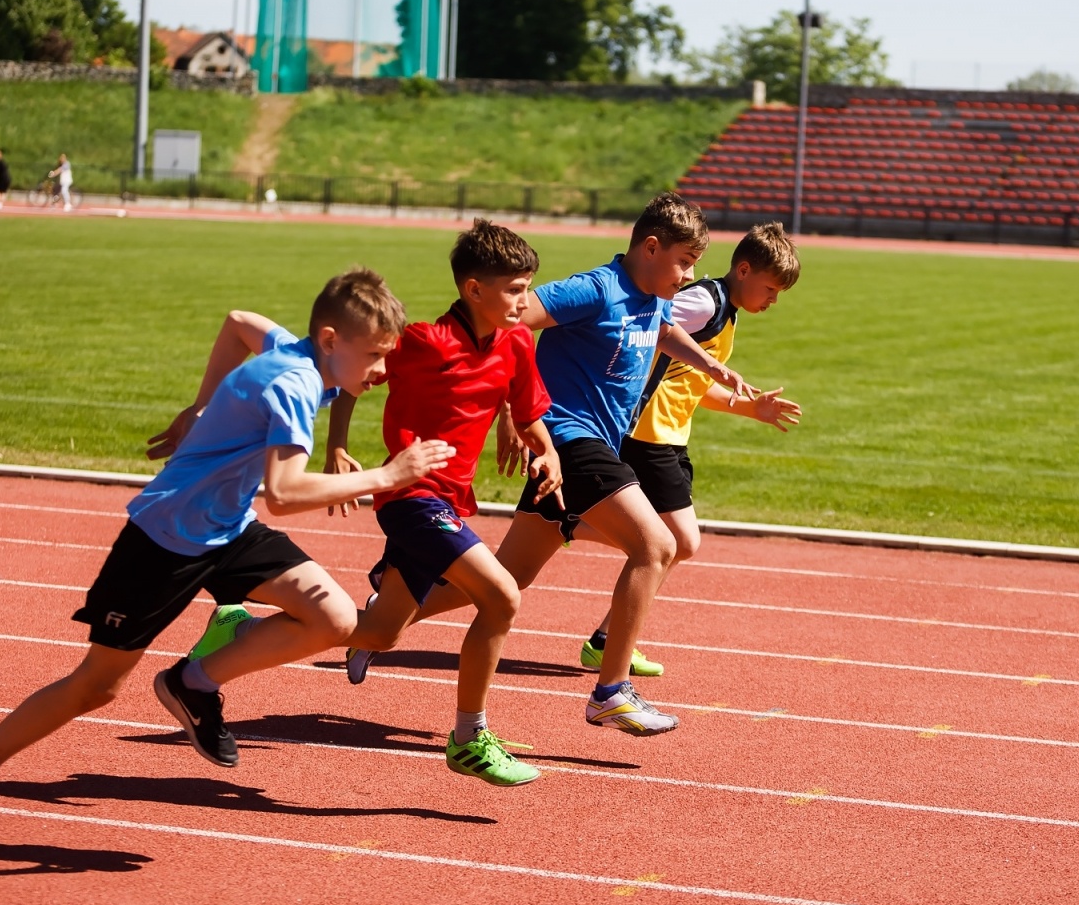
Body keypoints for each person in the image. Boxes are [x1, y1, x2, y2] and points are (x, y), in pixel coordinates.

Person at [0, 269, 454, 851]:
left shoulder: (296, 348)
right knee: (96, 688)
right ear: (331, 340)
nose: (383, 369)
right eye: (376, 355)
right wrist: (390, 474)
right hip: (165, 540)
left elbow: (238, 324)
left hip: (227, 529)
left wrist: (197, 410)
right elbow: (283, 493)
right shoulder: (295, 383)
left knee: (333, 619)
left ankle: (192, 682)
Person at [409, 192, 756, 738]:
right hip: (570, 437)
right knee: (657, 544)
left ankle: (380, 615)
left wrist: (711, 364)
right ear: (650, 247)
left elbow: (663, 330)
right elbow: (513, 320)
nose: (690, 275)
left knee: (506, 579)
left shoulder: (654, 296)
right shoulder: (596, 288)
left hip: (586, 452)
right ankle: (611, 692)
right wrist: (513, 407)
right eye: (685, 261)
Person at [286, 219, 562, 786]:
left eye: (528, 287)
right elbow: (348, 380)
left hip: (453, 500)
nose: (524, 300)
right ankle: (469, 737)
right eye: (513, 289)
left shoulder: (516, 342)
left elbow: (528, 408)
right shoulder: (423, 342)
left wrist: (546, 449)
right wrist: (337, 446)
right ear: (474, 290)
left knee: (380, 632)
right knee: (502, 595)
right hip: (409, 496)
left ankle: (238, 629)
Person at [568, 222, 802, 676]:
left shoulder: (726, 312)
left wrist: (749, 409)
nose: (773, 300)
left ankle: (605, 634)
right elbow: (650, 321)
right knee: (679, 541)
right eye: (770, 288)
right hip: (646, 435)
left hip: (671, 437)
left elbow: (688, 385)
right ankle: (572, 528)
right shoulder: (703, 301)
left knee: (671, 543)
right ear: (744, 269)